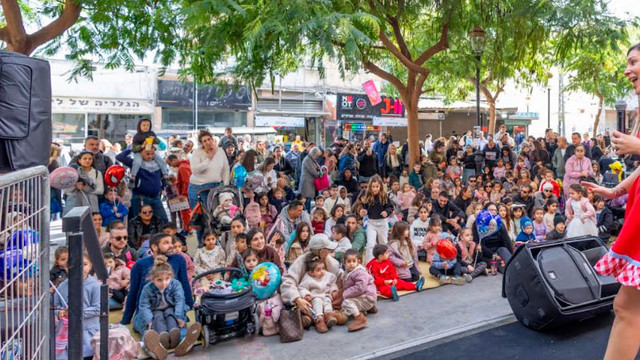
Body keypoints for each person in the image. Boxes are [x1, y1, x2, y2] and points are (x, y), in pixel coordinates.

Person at [121, 233, 194, 338]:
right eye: (166, 243)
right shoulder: (140, 265)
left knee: (176, 323)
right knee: (149, 328)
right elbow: (133, 292)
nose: (171, 246)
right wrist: (126, 319)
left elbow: (184, 284)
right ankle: (152, 345)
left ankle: (182, 341)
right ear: (154, 247)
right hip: (148, 309)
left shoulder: (178, 259)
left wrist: (189, 307)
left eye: (171, 242)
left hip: (170, 307)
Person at [280, 234, 348, 329]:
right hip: (310, 297)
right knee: (308, 302)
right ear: (320, 251)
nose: (329, 251)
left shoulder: (329, 260)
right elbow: (288, 281)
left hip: (327, 295)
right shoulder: (301, 261)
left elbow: (339, 275)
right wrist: (297, 299)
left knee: (343, 289)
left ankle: (326, 315)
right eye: (327, 249)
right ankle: (319, 317)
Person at [139, 256, 201, 359]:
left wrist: (179, 316)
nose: (164, 283)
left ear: (171, 276)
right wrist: (149, 320)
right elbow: (144, 305)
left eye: (167, 279)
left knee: (172, 317)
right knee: (157, 319)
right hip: (155, 310)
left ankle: (182, 339)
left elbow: (180, 300)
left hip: (172, 309)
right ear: (153, 280)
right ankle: (157, 344)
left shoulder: (176, 284)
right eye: (159, 280)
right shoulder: (147, 289)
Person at [53, 252, 100, 360]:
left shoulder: (94, 286)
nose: (80, 268)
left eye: (84, 264)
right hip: (66, 333)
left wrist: (76, 313)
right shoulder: (63, 286)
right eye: (76, 264)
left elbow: (98, 308)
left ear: (90, 266)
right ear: (68, 267)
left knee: (86, 356)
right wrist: (59, 312)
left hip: (87, 333)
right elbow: (56, 305)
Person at [116, 147, 168, 222]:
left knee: (163, 220)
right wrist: (132, 148)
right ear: (140, 153)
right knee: (139, 222)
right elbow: (119, 157)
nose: (150, 156)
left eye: (152, 154)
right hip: (140, 197)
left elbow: (161, 178)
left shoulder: (158, 163)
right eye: (147, 154)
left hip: (156, 197)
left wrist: (162, 188)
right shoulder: (135, 163)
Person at [187, 130, 230, 211]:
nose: (207, 142)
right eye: (204, 141)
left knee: (215, 212)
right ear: (201, 143)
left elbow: (226, 170)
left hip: (215, 186)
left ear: (212, 139)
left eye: (209, 139)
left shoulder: (220, 151)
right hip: (198, 186)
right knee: (198, 215)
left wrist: (225, 186)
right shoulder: (197, 152)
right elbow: (195, 170)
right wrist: (208, 159)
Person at [297, 257, 339, 333]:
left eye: (323, 268)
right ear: (311, 272)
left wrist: (334, 290)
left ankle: (329, 315)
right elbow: (301, 288)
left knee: (328, 301)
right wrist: (306, 295)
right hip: (315, 297)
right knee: (317, 302)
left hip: (326, 295)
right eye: (318, 270)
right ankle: (319, 319)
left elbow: (332, 283)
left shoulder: (328, 275)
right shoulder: (308, 279)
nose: (322, 271)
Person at [359, 175, 394, 262]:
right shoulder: (367, 196)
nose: (375, 189)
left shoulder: (384, 196)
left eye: (377, 186)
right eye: (373, 186)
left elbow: (390, 207)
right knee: (370, 243)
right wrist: (363, 212)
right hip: (371, 222)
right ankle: (369, 263)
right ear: (370, 187)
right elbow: (365, 208)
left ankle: (385, 262)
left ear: (380, 186)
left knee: (383, 243)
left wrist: (386, 212)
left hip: (382, 222)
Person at [341, 249, 377, 332]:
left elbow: (360, 288)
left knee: (346, 303)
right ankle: (369, 308)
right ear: (344, 262)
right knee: (349, 302)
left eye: (354, 261)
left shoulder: (360, 272)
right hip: (364, 297)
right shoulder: (349, 272)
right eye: (349, 261)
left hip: (367, 297)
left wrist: (346, 293)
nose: (351, 264)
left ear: (359, 261)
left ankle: (360, 319)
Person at [129, 119, 169, 187]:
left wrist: (154, 139)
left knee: (161, 161)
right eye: (144, 125)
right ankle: (133, 178)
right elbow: (133, 148)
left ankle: (165, 177)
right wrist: (142, 146)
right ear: (139, 126)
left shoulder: (152, 133)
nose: (146, 127)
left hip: (151, 152)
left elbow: (160, 144)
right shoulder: (137, 136)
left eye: (148, 125)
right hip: (140, 153)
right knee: (137, 162)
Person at [64, 151, 104, 215]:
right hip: (74, 201)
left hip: (91, 203)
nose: (87, 161)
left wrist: (85, 188)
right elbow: (66, 190)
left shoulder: (97, 173)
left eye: (90, 159)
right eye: (85, 158)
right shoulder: (73, 172)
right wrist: (75, 186)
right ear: (79, 160)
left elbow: (100, 190)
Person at [166, 154, 192, 231]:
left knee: (186, 214)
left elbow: (186, 182)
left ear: (173, 160)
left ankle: (188, 229)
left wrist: (183, 194)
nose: (171, 166)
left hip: (185, 196)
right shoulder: (184, 166)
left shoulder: (182, 167)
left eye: (170, 164)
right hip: (186, 194)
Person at [299, 147, 323, 211]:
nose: (317, 157)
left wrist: (318, 169)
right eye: (317, 156)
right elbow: (313, 172)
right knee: (306, 202)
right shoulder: (307, 160)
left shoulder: (312, 160)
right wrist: (320, 175)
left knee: (308, 201)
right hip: (306, 184)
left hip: (310, 184)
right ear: (313, 154)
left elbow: (316, 168)